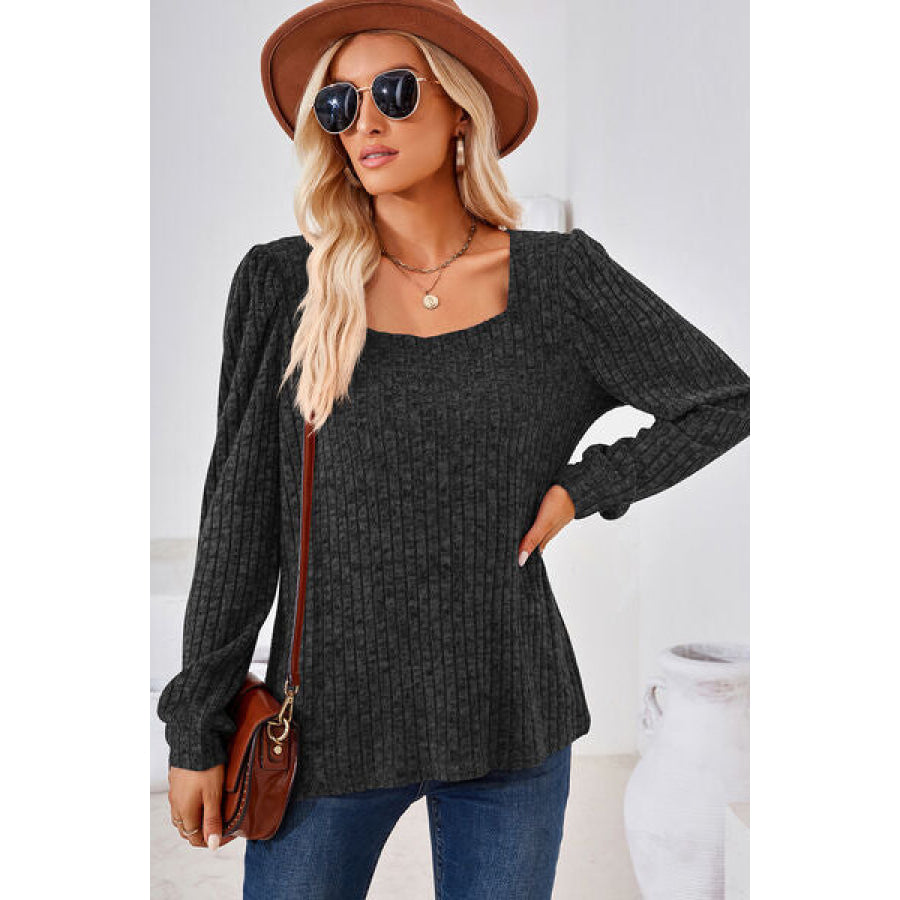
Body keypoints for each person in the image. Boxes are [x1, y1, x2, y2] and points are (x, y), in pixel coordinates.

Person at [156, 1, 751, 897]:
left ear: (458, 109)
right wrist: (195, 728)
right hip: (325, 731)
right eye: (340, 104)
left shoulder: (559, 281)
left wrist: (582, 489)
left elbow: (720, 399)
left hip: (510, 717)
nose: (366, 122)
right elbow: (237, 527)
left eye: (394, 92)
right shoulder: (287, 287)